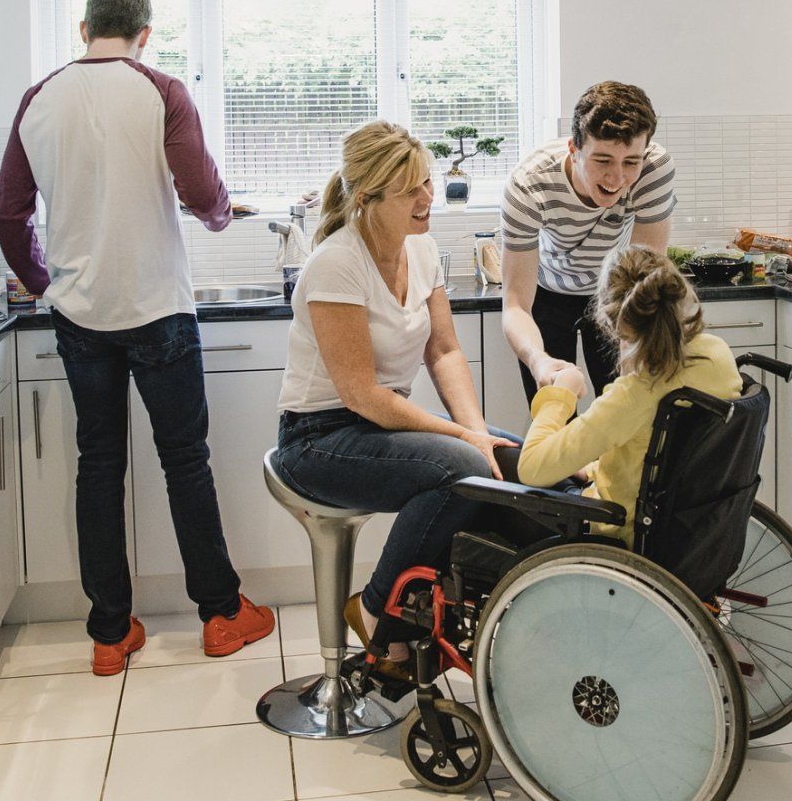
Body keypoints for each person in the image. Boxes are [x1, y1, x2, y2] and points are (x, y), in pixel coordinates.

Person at [0, 0, 274, 674]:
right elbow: (202, 193)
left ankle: (111, 634)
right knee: (185, 462)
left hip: (80, 315)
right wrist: (218, 215)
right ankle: (220, 615)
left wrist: (39, 281)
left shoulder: (39, 99)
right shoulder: (162, 91)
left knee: (98, 466)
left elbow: (6, 211)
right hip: (157, 308)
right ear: (145, 34)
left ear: (84, 27)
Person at [270, 121, 513, 669]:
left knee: (510, 459)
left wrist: (478, 430)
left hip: (380, 427)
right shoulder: (336, 263)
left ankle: (452, 609)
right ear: (367, 198)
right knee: (460, 464)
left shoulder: (422, 250)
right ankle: (379, 612)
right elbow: (361, 394)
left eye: (426, 181)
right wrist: (464, 439)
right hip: (318, 438)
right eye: (410, 190)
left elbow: (445, 351)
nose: (429, 197)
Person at [516, 244, 742, 538]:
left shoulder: (634, 394)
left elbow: (531, 468)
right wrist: (596, 470)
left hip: (619, 528)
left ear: (612, 323)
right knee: (504, 445)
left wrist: (561, 396)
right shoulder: (717, 354)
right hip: (690, 526)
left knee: (495, 462)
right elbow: (657, 453)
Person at [500, 81, 676, 402]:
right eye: (603, 160)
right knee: (555, 412)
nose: (616, 177)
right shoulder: (529, 186)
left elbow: (642, 280)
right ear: (574, 149)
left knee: (623, 410)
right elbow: (515, 305)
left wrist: (632, 372)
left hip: (614, 292)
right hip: (548, 294)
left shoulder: (654, 170)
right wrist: (539, 362)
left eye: (630, 162)